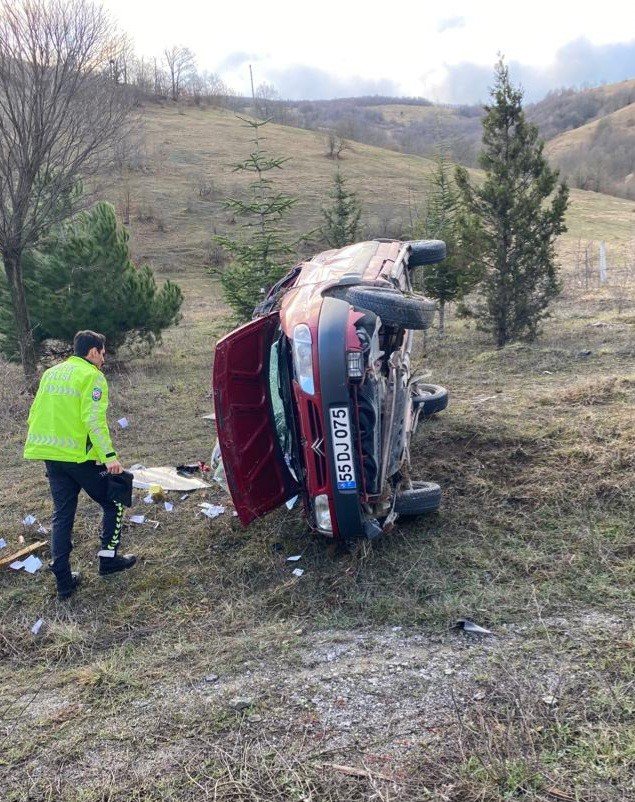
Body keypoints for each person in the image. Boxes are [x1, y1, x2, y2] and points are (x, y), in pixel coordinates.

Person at [24, 330, 136, 599]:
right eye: (103, 354)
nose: (103, 360)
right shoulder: (92, 377)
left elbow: (34, 413)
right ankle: (108, 560)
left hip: (51, 455)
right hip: (78, 457)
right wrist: (110, 458)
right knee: (114, 499)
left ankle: (64, 581)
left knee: (62, 514)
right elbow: (94, 420)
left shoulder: (51, 374)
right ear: (93, 352)